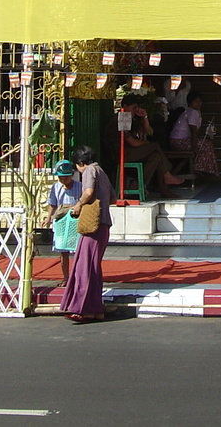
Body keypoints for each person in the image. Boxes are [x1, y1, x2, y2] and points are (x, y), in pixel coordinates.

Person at [59, 146, 114, 323]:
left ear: (81, 163)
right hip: (103, 225)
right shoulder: (102, 172)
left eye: (77, 168)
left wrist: (79, 205)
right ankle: (96, 309)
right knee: (93, 268)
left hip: (93, 226)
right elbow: (113, 198)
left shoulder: (90, 170)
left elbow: (88, 192)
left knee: (84, 267)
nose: (78, 171)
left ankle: (85, 309)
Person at [121, 94, 185, 198]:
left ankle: (140, 185)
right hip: (122, 153)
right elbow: (133, 142)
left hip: (132, 151)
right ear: (125, 107)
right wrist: (146, 144)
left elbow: (149, 132)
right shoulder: (121, 119)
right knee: (154, 146)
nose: (135, 111)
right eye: (133, 108)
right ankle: (167, 175)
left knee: (156, 157)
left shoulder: (133, 119)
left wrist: (144, 117)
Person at [45, 159, 81, 285]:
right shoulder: (55, 187)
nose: (63, 180)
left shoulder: (79, 186)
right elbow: (52, 204)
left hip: (74, 221)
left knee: (78, 250)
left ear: (71, 175)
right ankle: (66, 277)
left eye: (66, 177)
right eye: (60, 178)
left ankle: (78, 277)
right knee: (63, 251)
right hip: (61, 221)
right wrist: (49, 217)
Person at [170, 91, 219, 177]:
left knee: (206, 143)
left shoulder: (194, 112)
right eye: (195, 101)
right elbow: (194, 131)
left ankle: (202, 168)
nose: (198, 104)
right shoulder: (192, 112)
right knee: (206, 145)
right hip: (179, 141)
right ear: (190, 102)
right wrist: (194, 147)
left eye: (200, 101)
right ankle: (199, 168)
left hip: (179, 141)